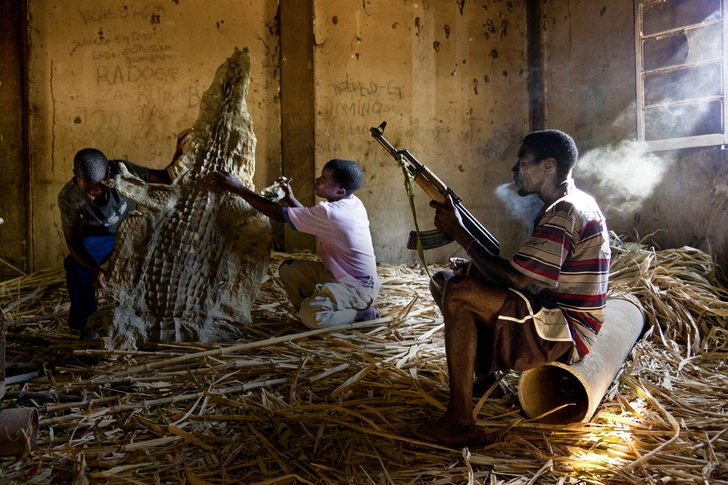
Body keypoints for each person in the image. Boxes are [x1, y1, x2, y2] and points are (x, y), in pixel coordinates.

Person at [414, 129, 610, 447]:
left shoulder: (565, 211)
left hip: (566, 328)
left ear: (548, 166)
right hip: (549, 311)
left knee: (461, 294)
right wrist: (476, 266)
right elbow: (526, 275)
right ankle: (484, 379)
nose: (515, 170)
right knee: (445, 283)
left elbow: (516, 279)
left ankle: (461, 422)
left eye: (522, 162)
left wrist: (461, 234)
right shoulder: (565, 205)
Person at [213, 159, 380, 328]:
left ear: (339, 190)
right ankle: (321, 313)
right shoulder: (351, 202)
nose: (317, 180)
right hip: (337, 275)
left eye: (323, 179)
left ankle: (358, 314)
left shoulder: (333, 214)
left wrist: (240, 189)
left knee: (312, 316)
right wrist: (291, 199)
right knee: (289, 270)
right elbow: (309, 219)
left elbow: (278, 215)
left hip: (356, 287)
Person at [59, 129, 191, 339]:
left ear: (108, 174)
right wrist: (94, 270)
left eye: (100, 187)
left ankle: (141, 319)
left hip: (135, 232)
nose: (95, 193)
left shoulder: (121, 170)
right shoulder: (69, 196)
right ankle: (87, 324)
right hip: (103, 238)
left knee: (156, 264)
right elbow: (74, 242)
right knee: (76, 266)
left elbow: (166, 177)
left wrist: (179, 152)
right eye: (88, 188)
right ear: (75, 174)